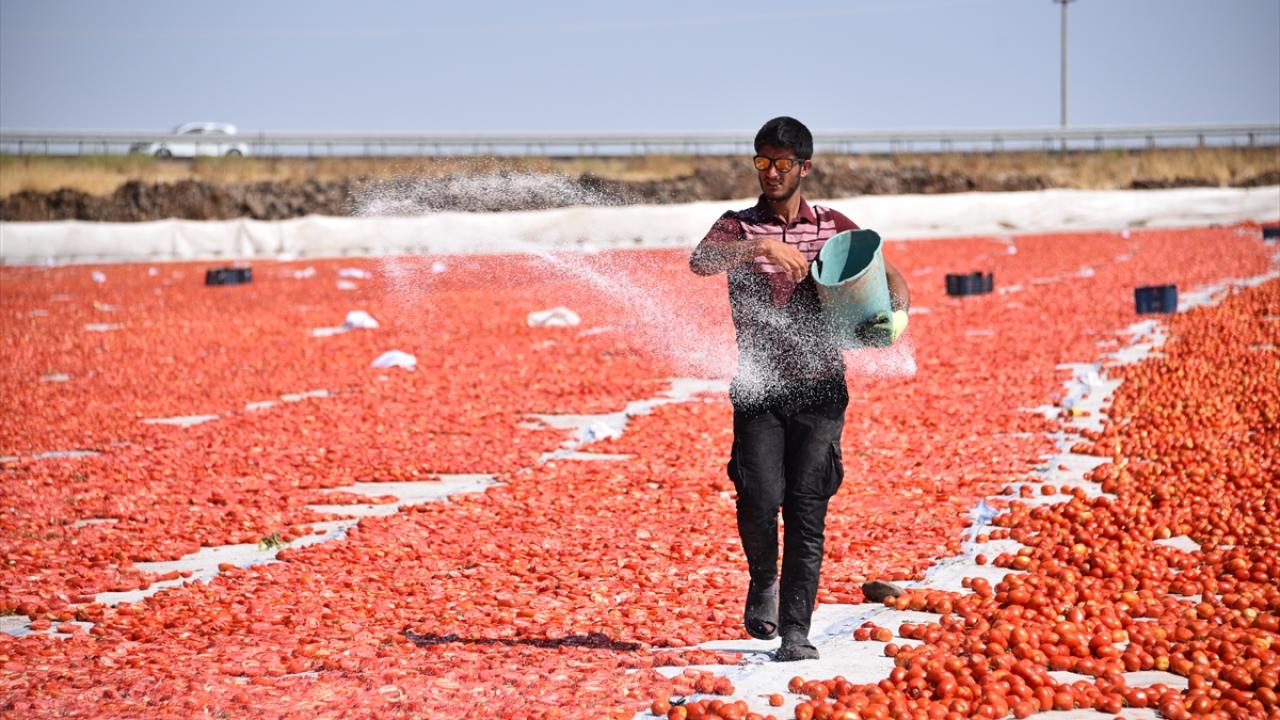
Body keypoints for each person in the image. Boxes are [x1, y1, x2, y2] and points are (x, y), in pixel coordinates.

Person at [689, 117, 911, 661]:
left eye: (782, 163)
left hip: (820, 388)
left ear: (804, 168)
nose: (770, 172)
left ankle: (796, 631)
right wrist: (757, 247)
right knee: (760, 497)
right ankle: (763, 580)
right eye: (762, 162)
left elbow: (888, 274)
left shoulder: (833, 225)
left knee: (808, 508)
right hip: (759, 387)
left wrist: (896, 311)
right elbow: (700, 262)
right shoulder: (737, 226)